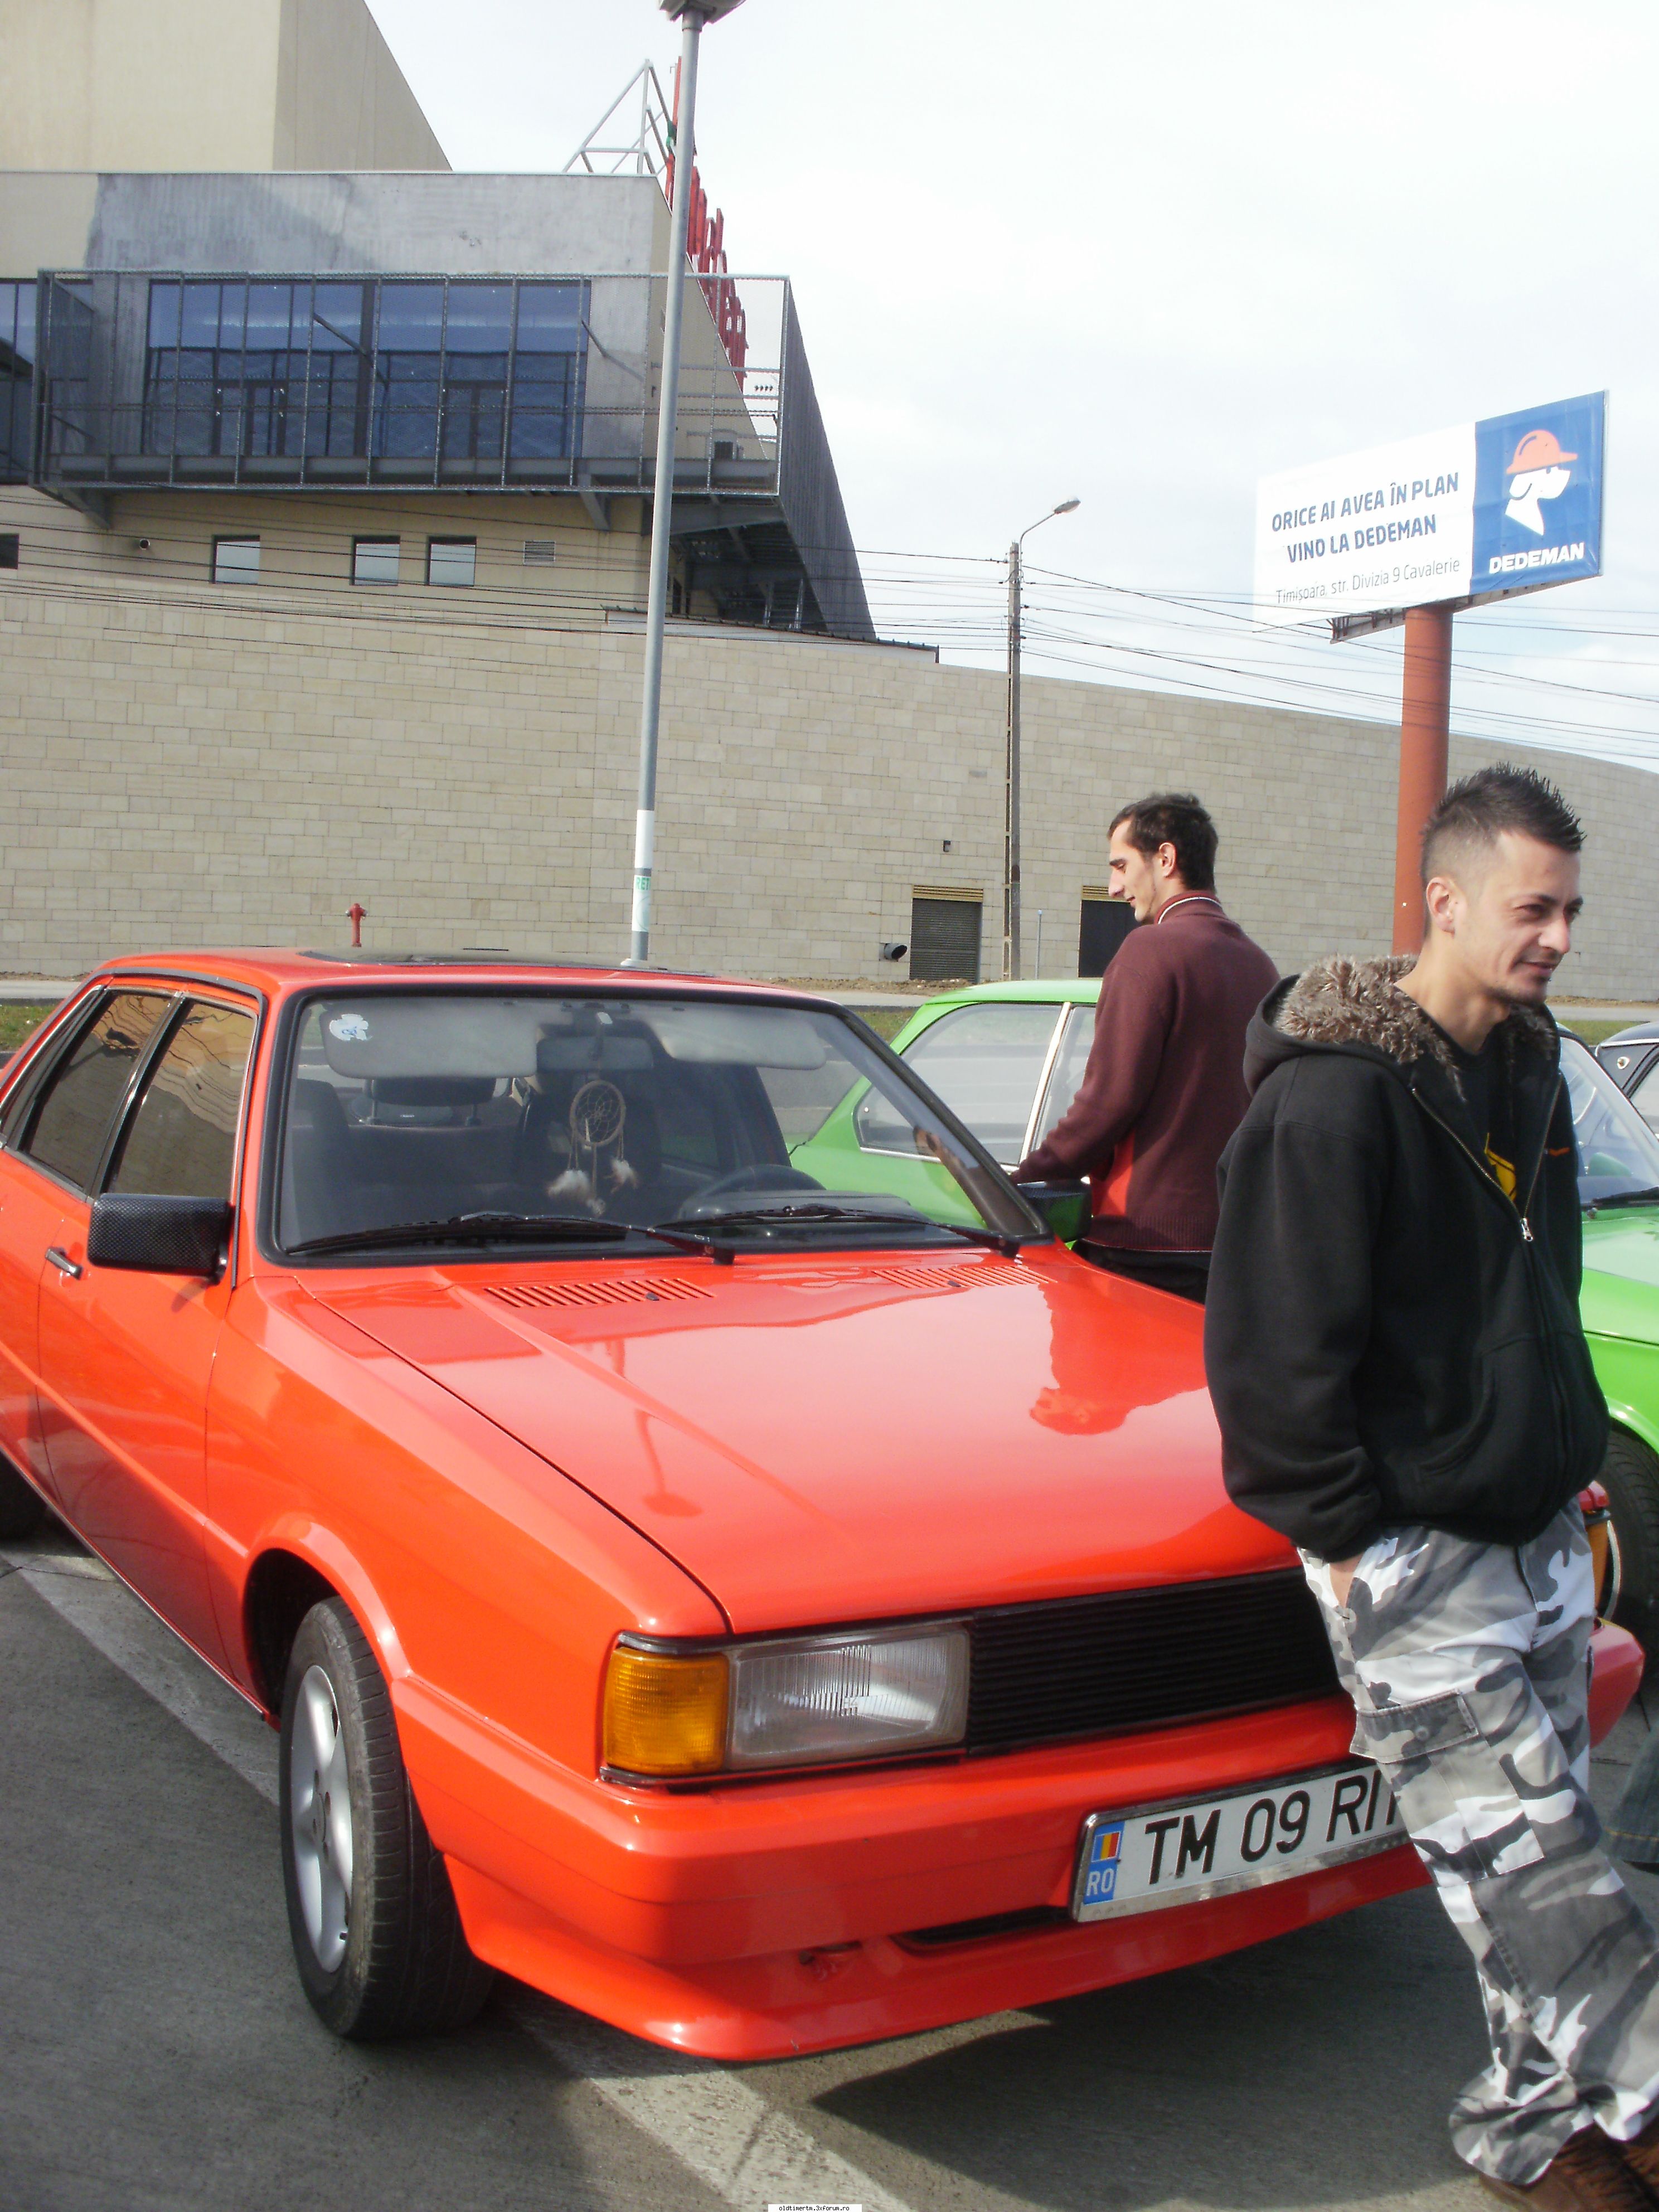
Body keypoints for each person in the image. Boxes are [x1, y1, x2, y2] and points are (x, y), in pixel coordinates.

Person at [1205, 763, 1659, 2212]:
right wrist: (1357, 1546)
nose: (1559, 939)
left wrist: (1565, 1459)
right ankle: (1645, 2101)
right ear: (1444, 902)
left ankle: (1536, 2137)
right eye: (1535, 909)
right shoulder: (1333, 1106)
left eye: (1574, 911)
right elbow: (1271, 1377)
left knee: (1528, 1871)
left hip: (1532, 1535)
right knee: (1542, 1878)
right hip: (1414, 1562)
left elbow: (1542, 1290)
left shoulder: (1529, 1068)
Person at [1010, 791, 1277, 1303]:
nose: (1114, 887)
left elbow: (1108, 1100)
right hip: (1231, 1245)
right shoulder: (1259, 964)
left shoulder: (1148, 953)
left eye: (1121, 865)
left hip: (1139, 1243)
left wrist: (1027, 1180)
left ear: (1166, 859)